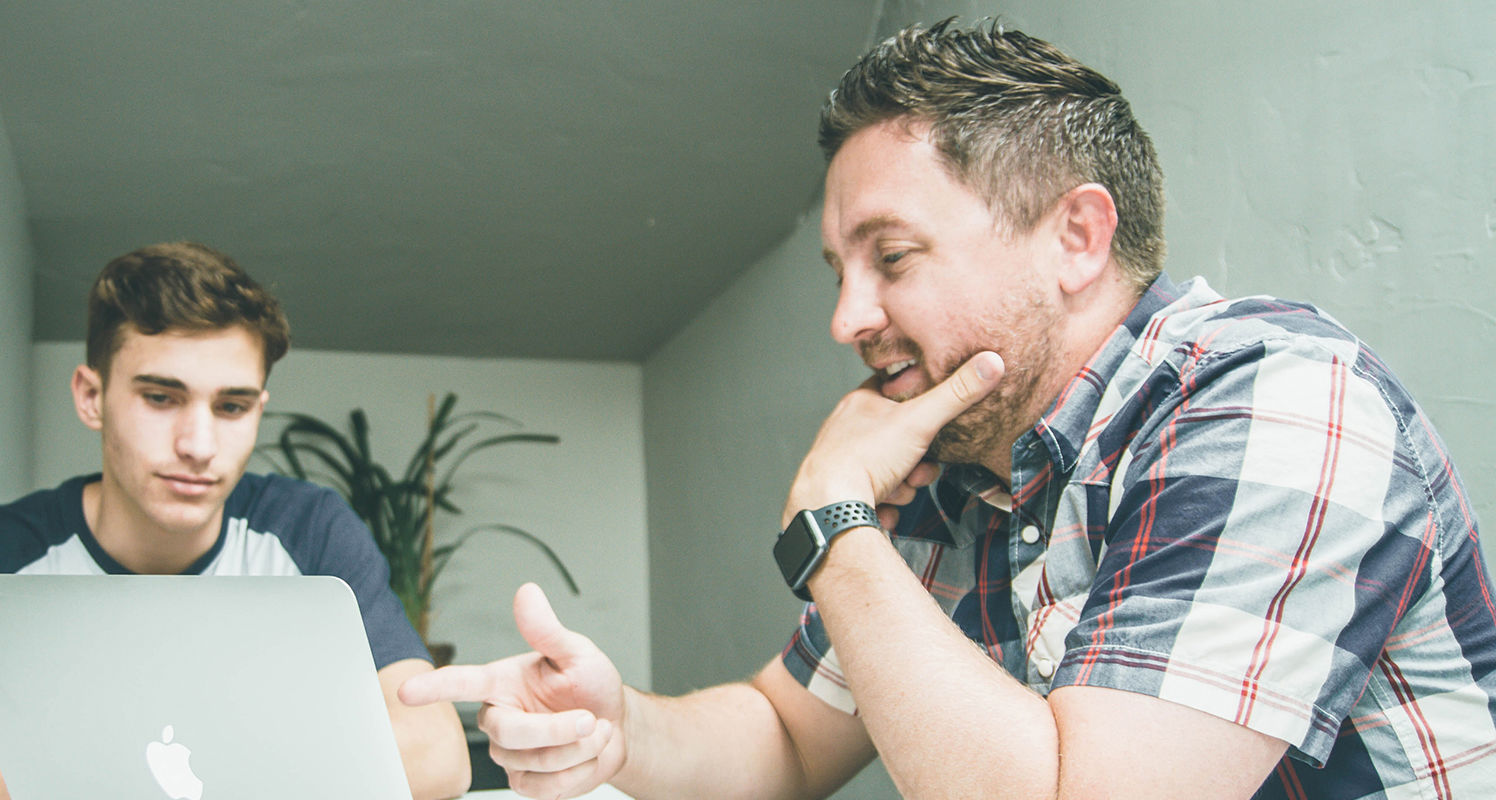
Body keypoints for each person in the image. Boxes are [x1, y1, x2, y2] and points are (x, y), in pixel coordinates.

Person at [401, 18, 1496, 800]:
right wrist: (620, 727)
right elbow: (785, 735)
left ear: (1076, 236)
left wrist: (834, 520)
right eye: (840, 268)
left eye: (892, 257)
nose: (847, 316)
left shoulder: (1275, 399)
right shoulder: (957, 464)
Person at [0, 241, 470, 800]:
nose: (199, 445)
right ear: (91, 396)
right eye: (160, 397)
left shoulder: (308, 531)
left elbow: (437, 755)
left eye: (232, 406)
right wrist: (2, 785)